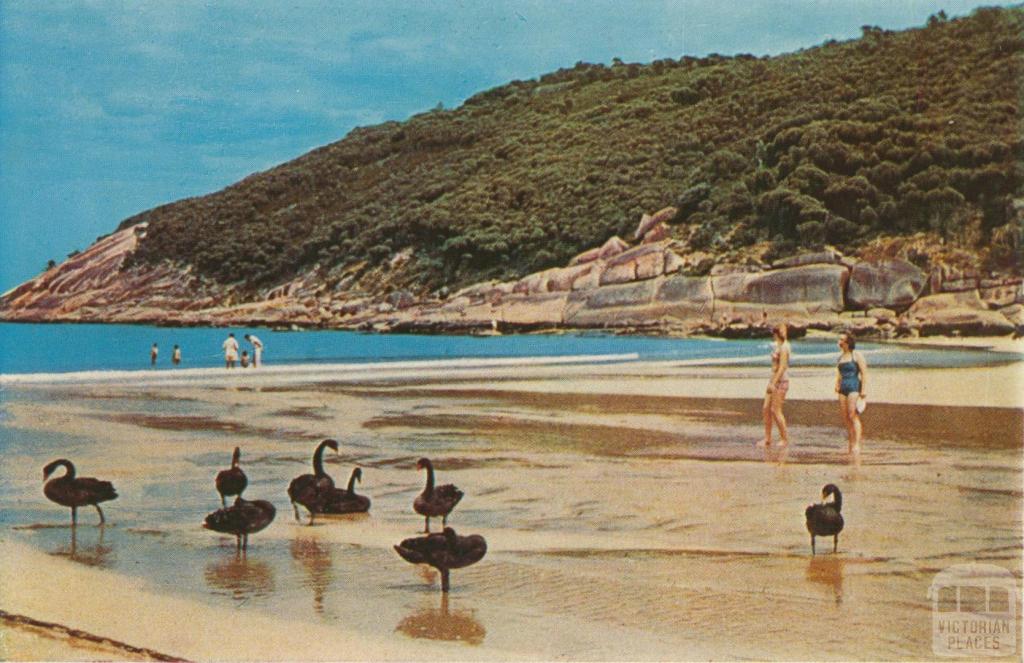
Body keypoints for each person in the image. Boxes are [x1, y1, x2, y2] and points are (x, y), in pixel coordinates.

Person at [758, 323, 791, 447]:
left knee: (776, 410)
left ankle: (784, 438)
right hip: (773, 379)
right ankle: (767, 438)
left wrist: (773, 383)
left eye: (784, 330)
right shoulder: (779, 345)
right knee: (766, 408)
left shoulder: (785, 347)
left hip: (780, 381)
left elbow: (782, 367)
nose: (783, 332)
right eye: (781, 330)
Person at [835, 332, 868, 454]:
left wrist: (863, 390)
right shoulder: (840, 357)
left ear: (847, 342)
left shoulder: (856, 355)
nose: (839, 341)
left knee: (852, 415)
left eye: (841, 339)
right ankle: (851, 441)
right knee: (845, 418)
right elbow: (839, 373)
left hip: (854, 385)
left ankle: (857, 444)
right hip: (843, 387)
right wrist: (837, 384)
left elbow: (864, 372)